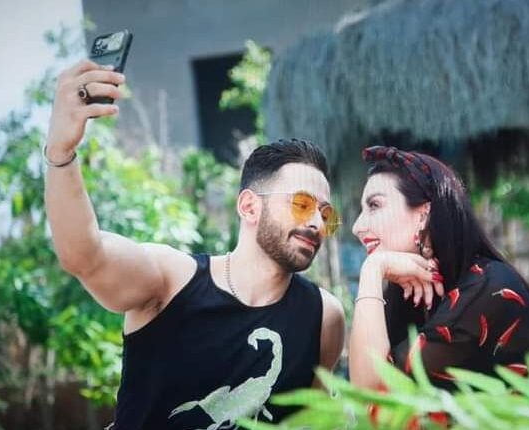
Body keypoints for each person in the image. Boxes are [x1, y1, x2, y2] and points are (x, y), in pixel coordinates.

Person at [43, 60, 345, 429]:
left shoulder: (323, 317)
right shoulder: (172, 281)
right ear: (249, 206)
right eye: (301, 204)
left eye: (326, 214)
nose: (316, 223)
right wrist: (61, 153)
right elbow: (85, 256)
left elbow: (310, 422)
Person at [349, 146, 529, 390]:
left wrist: (371, 271)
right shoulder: (410, 292)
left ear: (423, 215)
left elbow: (374, 390)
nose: (357, 227)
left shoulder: (489, 288)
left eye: (374, 205)